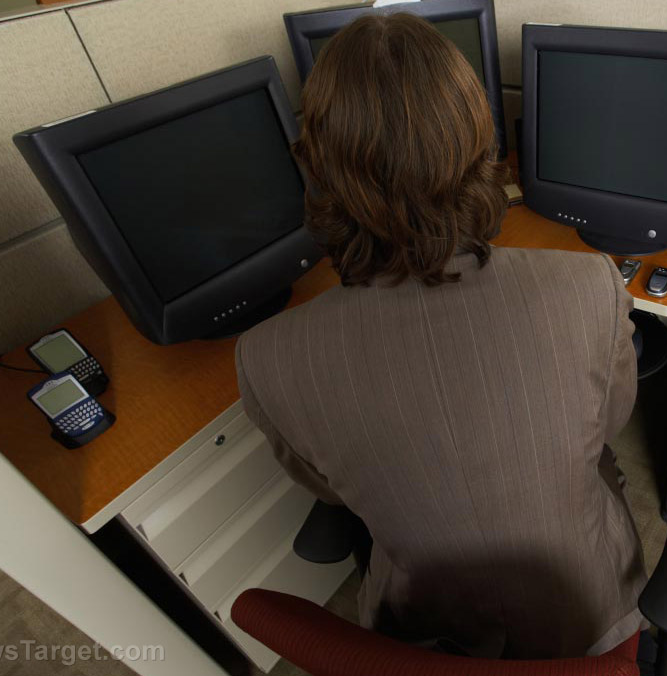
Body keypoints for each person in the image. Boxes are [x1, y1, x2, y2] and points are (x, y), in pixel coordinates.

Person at [235, 13, 645, 660]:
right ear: (480, 142)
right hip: (587, 618)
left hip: (420, 635)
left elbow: (328, 488)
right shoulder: (588, 285)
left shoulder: (266, 357)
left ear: (318, 166)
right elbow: (610, 421)